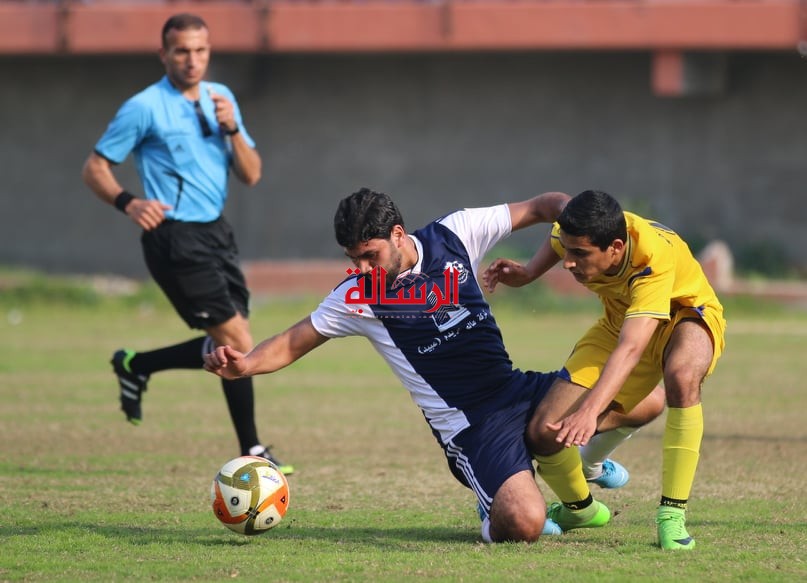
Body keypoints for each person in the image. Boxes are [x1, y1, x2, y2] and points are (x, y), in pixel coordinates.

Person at [203, 188, 665, 542]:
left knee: (649, 401)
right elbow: (291, 341)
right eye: (353, 259)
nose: (361, 268)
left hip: (516, 389)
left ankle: (582, 465)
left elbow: (551, 205)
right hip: (471, 426)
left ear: (399, 236)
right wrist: (244, 365)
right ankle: (494, 511)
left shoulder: (457, 232)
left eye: (370, 255)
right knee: (524, 523)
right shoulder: (359, 295)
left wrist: (534, 267)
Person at [81, 13, 292, 474]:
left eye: (200, 51)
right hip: (173, 237)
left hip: (217, 232)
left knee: (228, 341)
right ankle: (252, 451)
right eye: (182, 51)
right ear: (164, 54)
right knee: (236, 338)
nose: (192, 60)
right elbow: (94, 167)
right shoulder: (144, 107)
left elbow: (252, 174)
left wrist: (233, 128)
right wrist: (129, 202)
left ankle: (136, 365)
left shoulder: (222, 99)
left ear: (208, 52)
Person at [483, 189, 725, 550]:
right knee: (544, 432)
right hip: (618, 324)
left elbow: (631, 348)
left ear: (615, 247)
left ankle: (671, 515)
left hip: (686, 315)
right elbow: (558, 238)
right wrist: (529, 273)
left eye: (579, 254)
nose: (569, 261)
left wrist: (589, 411)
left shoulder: (651, 257)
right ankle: (581, 509)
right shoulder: (580, 227)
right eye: (568, 250)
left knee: (681, 376)